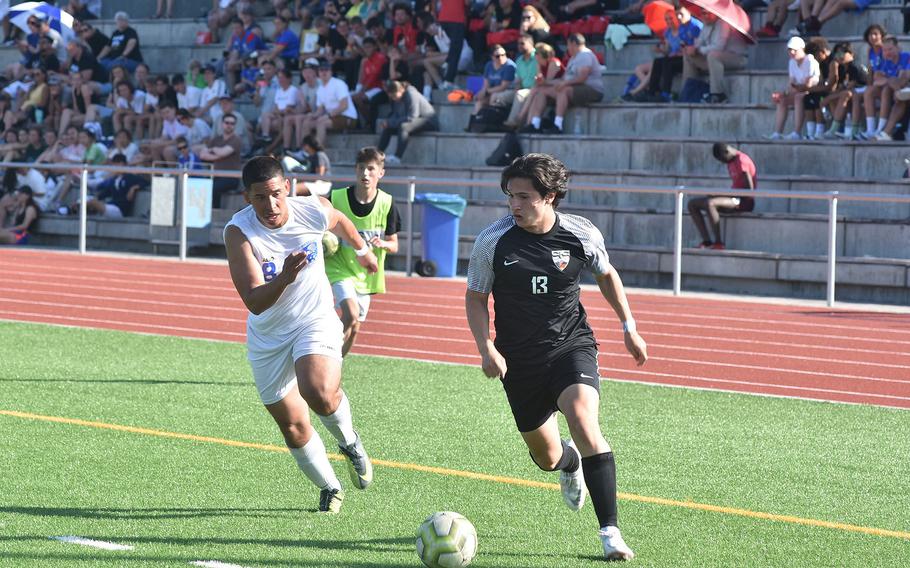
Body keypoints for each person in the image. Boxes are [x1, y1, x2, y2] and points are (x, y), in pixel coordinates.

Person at [464, 153, 646, 562]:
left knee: (584, 420)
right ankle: (568, 464)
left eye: (524, 197)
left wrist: (628, 325)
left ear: (550, 196)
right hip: (518, 361)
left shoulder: (580, 233)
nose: (514, 205)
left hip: (571, 346)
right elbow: (476, 297)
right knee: (546, 458)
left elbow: (606, 275)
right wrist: (485, 346)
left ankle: (610, 532)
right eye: (510, 196)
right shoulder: (492, 241)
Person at [224, 155, 379, 514]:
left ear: (288, 188)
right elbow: (254, 301)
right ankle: (330, 486)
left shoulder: (312, 210)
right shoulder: (239, 232)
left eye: (276, 194)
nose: (271, 204)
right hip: (268, 336)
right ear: (247, 198)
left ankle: (350, 442)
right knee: (293, 426)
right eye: (260, 197)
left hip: (315, 319)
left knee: (318, 391)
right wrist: (285, 277)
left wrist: (362, 251)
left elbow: (340, 220)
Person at [324, 147, 400, 356]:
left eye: (371, 169)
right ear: (355, 170)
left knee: (355, 326)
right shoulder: (337, 197)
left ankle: (334, 364)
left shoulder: (387, 203)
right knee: (350, 315)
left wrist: (383, 245)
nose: (365, 173)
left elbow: (394, 244)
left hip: (367, 274)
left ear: (380, 173)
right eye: (361, 168)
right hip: (338, 267)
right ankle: (320, 354)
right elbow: (319, 225)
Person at [688, 143, 756, 250]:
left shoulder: (741, 161)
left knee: (710, 203)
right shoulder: (731, 161)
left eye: (723, 159)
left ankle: (718, 243)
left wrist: (721, 194)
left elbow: (749, 192)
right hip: (733, 198)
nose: (723, 162)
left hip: (744, 202)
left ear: (727, 152)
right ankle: (707, 242)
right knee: (692, 204)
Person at [680, 11, 748, 104]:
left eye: (708, 13)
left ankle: (718, 94)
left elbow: (719, 46)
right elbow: (699, 42)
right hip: (714, 59)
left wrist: (698, 50)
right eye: (703, 13)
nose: (706, 16)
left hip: (737, 58)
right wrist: (692, 48)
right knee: (688, 55)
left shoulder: (724, 23)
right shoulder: (706, 24)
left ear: (715, 12)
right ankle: (689, 91)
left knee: (713, 55)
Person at [766, 36, 820, 140]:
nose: (792, 52)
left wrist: (792, 90)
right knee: (782, 100)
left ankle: (797, 132)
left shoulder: (810, 60)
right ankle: (777, 133)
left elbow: (807, 85)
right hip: (799, 91)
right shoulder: (792, 62)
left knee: (798, 98)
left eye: (795, 50)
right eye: (790, 50)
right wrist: (783, 94)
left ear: (802, 49)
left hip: (812, 92)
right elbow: (792, 84)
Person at [375, 80, 438, 165]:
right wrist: (388, 122)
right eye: (391, 97)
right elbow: (395, 115)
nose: (394, 99)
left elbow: (412, 116)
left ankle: (397, 157)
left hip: (427, 120)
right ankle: (376, 156)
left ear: (401, 90)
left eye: (394, 96)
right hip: (413, 121)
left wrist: (392, 123)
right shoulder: (395, 99)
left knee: (403, 127)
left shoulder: (411, 94)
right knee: (388, 128)